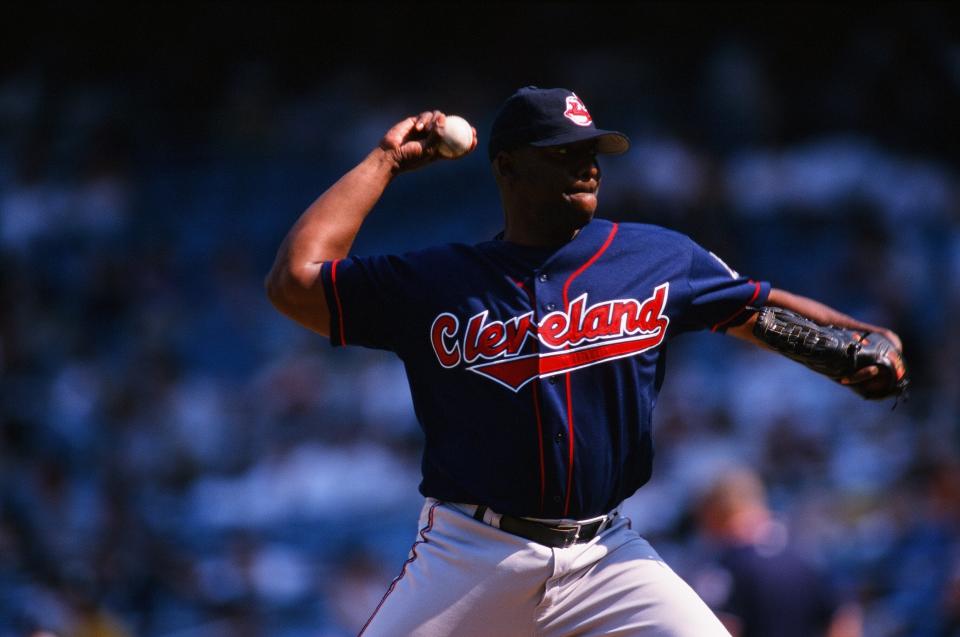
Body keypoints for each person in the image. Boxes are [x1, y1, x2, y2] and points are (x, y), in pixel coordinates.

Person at [265, 86, 906, 636]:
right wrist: (384, 161)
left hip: (605, 555)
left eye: (592, 152)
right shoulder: (438, 281)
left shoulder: (656, 257)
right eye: (563, 154)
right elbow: (294, 281)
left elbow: (760, 310)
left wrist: (862, 338)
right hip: (473, 553)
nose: (587, 167)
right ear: (507, 169)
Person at [692, 467, 863, 637]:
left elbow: (719, 629)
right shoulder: (807, 550)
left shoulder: (727, 563)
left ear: (714, 513)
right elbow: (845, 617)